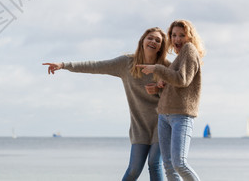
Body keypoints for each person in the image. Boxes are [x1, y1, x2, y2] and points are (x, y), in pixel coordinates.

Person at [43, 27, 170, 181]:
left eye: (158, 41)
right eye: (150, 38)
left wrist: (159, 88)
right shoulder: (126, 63)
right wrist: (64, 65)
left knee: (154, 163)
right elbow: (96, 66)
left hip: (163, 122)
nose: (153, 42)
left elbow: (182, 88)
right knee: (133, 170)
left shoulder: (166, 68)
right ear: (142, 40)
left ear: (161, 47)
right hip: (140, 126)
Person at [138, 20, 205, 181]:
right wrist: (160, 86)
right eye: (174, 35)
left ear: (190, 37)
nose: (177, 39)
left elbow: (182, 80)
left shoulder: (189, 50)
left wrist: (157, 69)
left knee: (179, 164)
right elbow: (176, 84)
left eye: (182, 35)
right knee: (168, 166)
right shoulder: (179, 57)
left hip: (181, 115)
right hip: (164, 115)